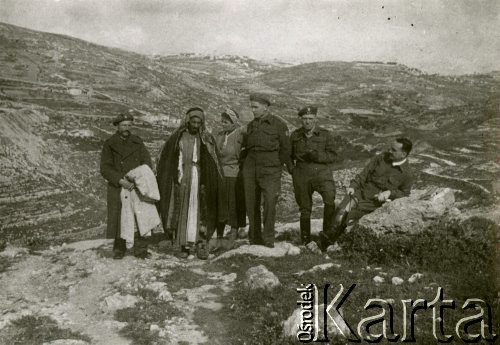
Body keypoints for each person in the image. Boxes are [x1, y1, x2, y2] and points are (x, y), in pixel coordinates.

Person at [320, 137, 415, 247]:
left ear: (403, 154)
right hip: (360, 193)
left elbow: (405, 193)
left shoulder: (407, 174)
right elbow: (364, 174)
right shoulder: (381, 158)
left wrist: (389, 193)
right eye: (390, 148)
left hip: (373, 204)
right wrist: (353, 186)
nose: (389, 151)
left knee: (349, 217)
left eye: (394, 150)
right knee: (340, 213)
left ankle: (332, 244)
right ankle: (325, 242)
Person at [156, 107, 222, 259]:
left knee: (199, 209)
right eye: (193, 121)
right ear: (188, 121)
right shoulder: (178, 137)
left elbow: (213, 161)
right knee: (182, 209)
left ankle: (200, 243)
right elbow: (169, 158)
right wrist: (176, 175)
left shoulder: (206, 138)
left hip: (199, 177)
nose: (196, 125)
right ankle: (182, 243)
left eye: (199, 122)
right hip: (182, 177)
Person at [241, 93, 292, 248]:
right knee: (251, 203)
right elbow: (246, 147)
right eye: (251, 107)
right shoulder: (251, 125)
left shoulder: (279, 125)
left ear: (266, 107)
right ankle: (254, 238)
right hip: (251, 167)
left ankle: (268, 238)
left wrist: (276, 165)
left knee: (270, 202)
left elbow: (286, 149)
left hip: (270, 169)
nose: (253, 110)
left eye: (255, 107)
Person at [100, 112, 153, 259]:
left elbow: (146, 162)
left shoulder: (137, 142)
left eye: (129, 125)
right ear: (117, 126)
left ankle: (141, 250)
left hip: (136, 186)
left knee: (140, 218)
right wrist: (120, 180)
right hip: (118, 186)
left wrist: (139, 178)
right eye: (123, 125)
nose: (126, 128)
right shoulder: (109, 144)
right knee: (120, 218)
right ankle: (119, 250)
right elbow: (105, 168)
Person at [290, 106, 338, 245]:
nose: (307, 122)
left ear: (316, 119)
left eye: (310, 119)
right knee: (305, 208)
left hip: (322, 173)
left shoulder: (325, 134)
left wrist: (318, 156)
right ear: (301, 119)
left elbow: (333, 156)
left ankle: (326, 237)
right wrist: (293, 170)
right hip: (302, 174)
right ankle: (305, 241)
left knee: (329, 200)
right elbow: (287, 155)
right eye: (304, 119)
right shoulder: (295, 135)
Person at [214, 108, 247, 250]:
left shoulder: (239, 133)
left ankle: (233, 232)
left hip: (234, 173)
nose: (223, 124)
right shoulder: (220, 134)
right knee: (220, 203)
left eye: (226, 121)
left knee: (233, 204)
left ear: (233, 122)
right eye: (222, 121)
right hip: (221, 174)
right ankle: (219, 234)